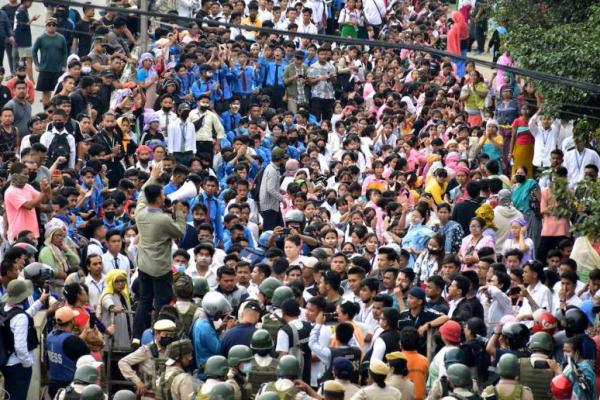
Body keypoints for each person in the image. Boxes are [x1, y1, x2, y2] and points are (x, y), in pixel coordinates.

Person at [132, 166, 187, 346]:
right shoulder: (163, 219)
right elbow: (179, 232)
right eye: (162, 195)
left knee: (145, 300)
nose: (165, 197)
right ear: (157, 199)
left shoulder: (139, 213)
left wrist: (152, 178)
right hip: (161, 267)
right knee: (162, 303)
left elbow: (142, 194)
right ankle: (159, 337)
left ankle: (137, 336)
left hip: (144, 264)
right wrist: (179, 212)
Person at [0, 279, 48, 400]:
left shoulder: (5, 309)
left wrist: (40, 301)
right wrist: (28, 363)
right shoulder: (20, 317)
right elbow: (20, 347)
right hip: (18, 367)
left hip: (7, 362)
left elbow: (23, 315)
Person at [118, 319, 177, 397]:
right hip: (150, 395)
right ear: (157, 334)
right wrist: (138, 382)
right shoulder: (146, 350)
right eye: (165, 335)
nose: (168, 337)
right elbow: (123, 362)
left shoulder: (173, 351)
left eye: (171, 335)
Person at [46, 306, 91, 398]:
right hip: (70, 388)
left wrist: (85, 331)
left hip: (54, 386)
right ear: (72, 321)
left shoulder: (50, 336)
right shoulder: (71, 340)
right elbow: (86, 355)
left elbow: (70, 344)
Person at [3, 162, 50, 243]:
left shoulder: (27, 187)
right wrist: (43, 192)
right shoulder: (11, 191)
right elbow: (29, 206)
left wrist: (46, 189)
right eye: (25, 174)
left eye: (28, 174)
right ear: (15, 175)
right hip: (19, 236)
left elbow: (43, 200)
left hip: (33, 234)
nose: (27, 176)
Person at [32, 18, 67, 105]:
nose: (51, 26)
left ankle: (55, 110)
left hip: (58, 70)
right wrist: (37, 64)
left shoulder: (61, 38)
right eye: (49, 24)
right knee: (46, 92)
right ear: (46, 26)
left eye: (54, 25)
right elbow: (34, 51)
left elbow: (64, 53)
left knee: (57, 92)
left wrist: (64, 65)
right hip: (45, 69)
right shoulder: (41, 38)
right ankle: (46, 112)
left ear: (56, 27)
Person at [259, 147, 287, 230]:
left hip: (273, 204)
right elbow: (270, 189)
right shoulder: (272, 170)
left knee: (280, 228)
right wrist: (282, 199)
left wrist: (280, 190)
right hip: (269, 206)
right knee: (269, 231)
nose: (284, 161)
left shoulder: (272, 168)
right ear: (280, 159)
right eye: (283, 159)